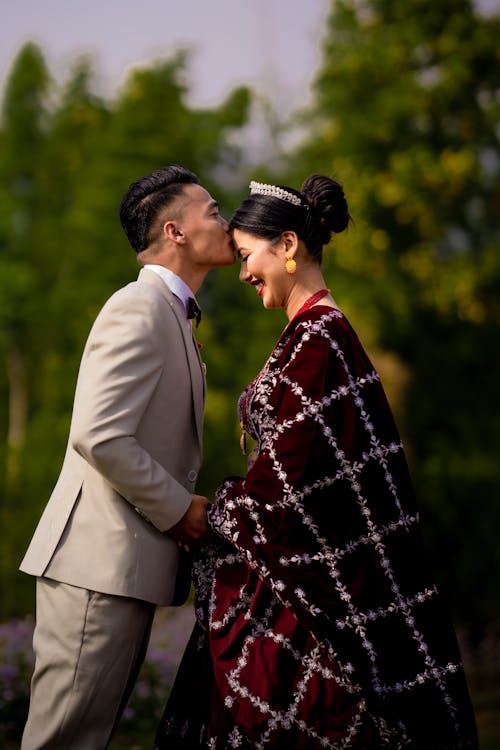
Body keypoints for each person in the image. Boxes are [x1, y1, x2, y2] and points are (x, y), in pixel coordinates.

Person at [155, 175, 479, 749]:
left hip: (310, 594)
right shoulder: (309, 336)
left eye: (250, 255)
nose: (246, 272)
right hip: (290, 573)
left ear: (288, 245)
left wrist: (212, 512)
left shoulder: (320, 339)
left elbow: (289, 481)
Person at [19, 164, 235, 749]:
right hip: (96, 571)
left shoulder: (172, 314)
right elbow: (101, 435)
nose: (227, 222)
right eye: (212, 211)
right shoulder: (137, 307)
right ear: (176, 232)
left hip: (119, 573)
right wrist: (180, 510)